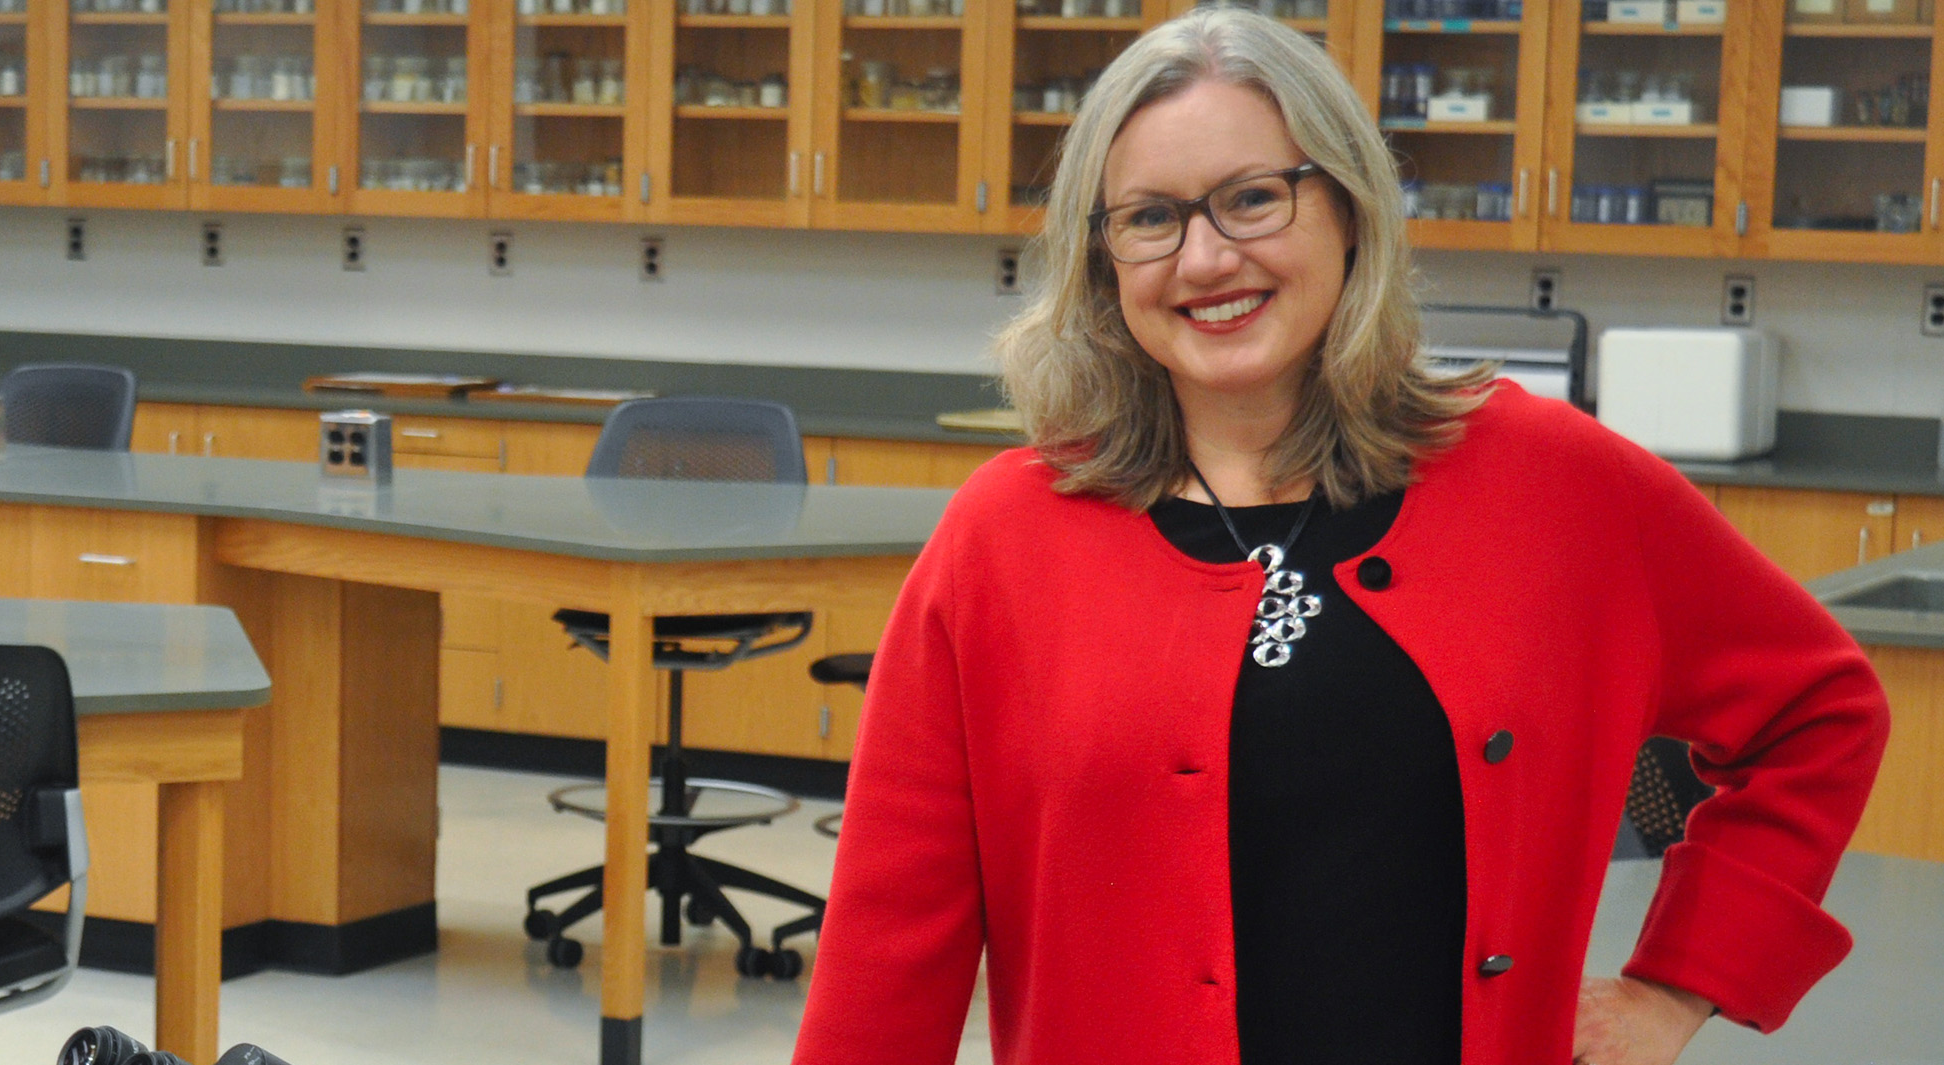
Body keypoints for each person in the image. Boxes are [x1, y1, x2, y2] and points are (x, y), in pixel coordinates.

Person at [790, 10, 1890, 1065]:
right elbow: (891, 941)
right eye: (1149, 217)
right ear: (1101, 261)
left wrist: (1674, 985)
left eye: (1252, 198)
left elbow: (1817, 710)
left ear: (1350, 208)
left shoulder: (1555, 485)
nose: (1205, 258)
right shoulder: (1007, 536)